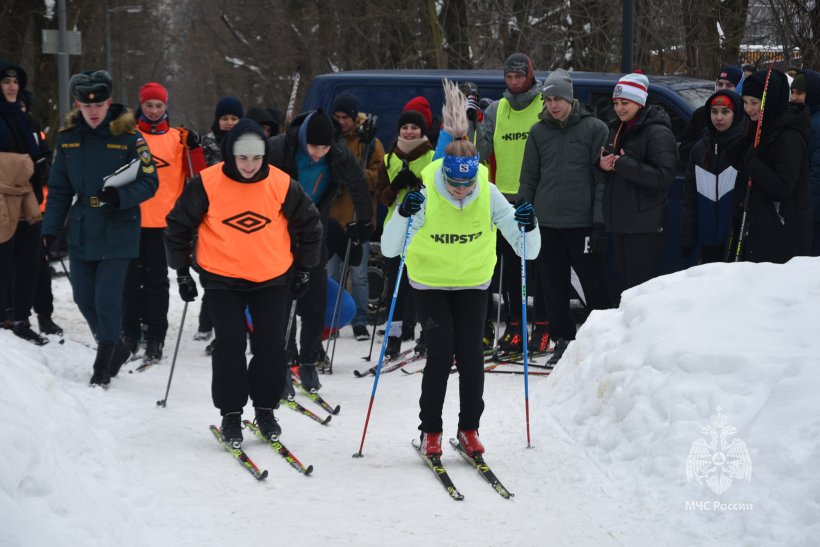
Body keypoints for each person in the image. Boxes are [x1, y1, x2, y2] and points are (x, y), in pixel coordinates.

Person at [381, 80, 540, 457]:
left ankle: (469, 429)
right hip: (430, 282)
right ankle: (430, 432)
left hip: (472, 281)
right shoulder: (425, 192)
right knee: (439, 356)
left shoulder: (487, 191)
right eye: (454, 184)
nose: (460, 192)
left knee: (471, 357)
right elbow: (390, 248)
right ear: (444, 174)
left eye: (467, 184)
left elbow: (526, 252)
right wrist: (403, 217)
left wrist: (529, 225)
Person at [165, 119, 322, 446]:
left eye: (256, 158)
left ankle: (265, 408)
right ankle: (231, 414)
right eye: (242, 158)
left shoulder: (281, 184)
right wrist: (181, 270)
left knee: (269, 346)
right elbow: (178, 226)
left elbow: (310, 225)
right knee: (230, 344)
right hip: (222, 280)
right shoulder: (207, 183)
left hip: (271, 278)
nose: (249, 166)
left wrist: (305, 268)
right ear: (229, 155)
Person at [42, 70, 159, 387]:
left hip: (119, 227)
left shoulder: (130, 137)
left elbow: (150, 182)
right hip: (82, 227)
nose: (93, 111)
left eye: (99, 104)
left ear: (109, 102)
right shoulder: (67, 139)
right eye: (85, 104)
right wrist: (49, 231)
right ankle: (117, 344)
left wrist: (121, 195)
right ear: (78, 104)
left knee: (107, 298)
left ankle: (103, 362)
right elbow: (60, 188)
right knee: (82, 297)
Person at [268, 109, 373, 391]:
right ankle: (286, 358)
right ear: (303, 141)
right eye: (314, 147)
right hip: (278, 232)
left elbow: (358, 186)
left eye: (323, 147)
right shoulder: (279, 149)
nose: (318, 153)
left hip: (315, 231)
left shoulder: (337, 153)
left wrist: (364, 222)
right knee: (283, 299)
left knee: (315, 302)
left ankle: (308, 361)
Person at [518, 69, 613, 367]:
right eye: (548, 99)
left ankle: (605, 338)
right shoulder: (538, 132)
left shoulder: (595, 128)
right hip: (546, 223)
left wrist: (599, 222)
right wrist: (524, 211)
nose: (554, 104)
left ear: (571, 98)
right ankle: (563, 340)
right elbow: (529, 176)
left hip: (582, 222)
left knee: (593, 284)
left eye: (559, 98)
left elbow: (601, 181)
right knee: (553, 286)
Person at [121, 82, 206, 364]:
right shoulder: (129, 136)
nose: (154, 111)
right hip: (131, 220)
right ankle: (130, 331)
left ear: (166, 106)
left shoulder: (177, 138)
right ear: (141, 106)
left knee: (157, 281)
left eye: (159, 105)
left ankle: (156, 334)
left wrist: (194, 147)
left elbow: (200, 174)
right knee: (131, 281)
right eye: (149, 105)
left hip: (164, 223)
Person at [478, 52, 544, 353]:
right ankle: (513, 325)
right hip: (502, 197)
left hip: (535, 196)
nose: (515, 82)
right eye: (510, 77)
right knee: (504, 266)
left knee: (535, 265)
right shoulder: (497, 109)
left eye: (520, 76)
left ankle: (540, 326)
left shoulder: (544, 103)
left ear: (530, 75)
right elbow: (479, 150)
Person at [599, 72, 677, 292]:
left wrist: (624, 164)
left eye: (625, 103)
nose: (619, 108)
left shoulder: (657, 132)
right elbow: (612, 171)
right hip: (622, 221)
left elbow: (663, 177)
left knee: (639, 290)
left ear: (639, 102)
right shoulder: (618, 128)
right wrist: (603, 167)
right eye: (615, 103)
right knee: (626, 289)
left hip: (645, 225)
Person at [734, 69, 812, 262]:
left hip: (784, 232)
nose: (749, 108)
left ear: (768, 101)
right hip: (762, 228)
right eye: (745, 102)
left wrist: (753, 165)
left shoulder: (788, 135)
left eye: (754, 103)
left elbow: (784, 185)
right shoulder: (759, 127)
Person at [375, 108, 434, 357]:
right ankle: (395, 336)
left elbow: (437, 191)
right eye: (405, 127)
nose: (409, 132)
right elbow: (383, 197)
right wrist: (396, 186)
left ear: (422, 131)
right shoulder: (389, 159)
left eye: (414, 128)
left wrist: (418, 185)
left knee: (424, 284)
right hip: (396, 229)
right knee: (396, 286)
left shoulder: (432, 156)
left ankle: (426, 334)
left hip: (424, 229)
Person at [0, 59, 49, 345]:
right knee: (4, 260)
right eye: (6, 82)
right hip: (3, 197)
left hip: (29, 197)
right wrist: (22, 164)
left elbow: (41, 150)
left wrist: (40, 162)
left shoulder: (26, 118)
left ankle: (22, 316)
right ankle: (5, 316)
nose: (12, 87)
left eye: (15, 82)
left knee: (29, 261)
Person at [330, 92, 384, 341]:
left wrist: (357, 177)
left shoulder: (369, 142)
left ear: (354, 118)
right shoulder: (330, 139)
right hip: (333, 218)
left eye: (345, 118)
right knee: (332, 274)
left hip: (357, 218)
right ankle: (332, 318)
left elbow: (380, 174)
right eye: (337, 117)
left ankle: (360, 320)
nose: (341, 122)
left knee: (359, 274)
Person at [195, 96, 244, 346]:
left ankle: (234, 324)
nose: (229, 123)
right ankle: (206, 322)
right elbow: (199, 172)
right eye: (225, 118)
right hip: (214, 212)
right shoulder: (207, 143)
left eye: (234, 118)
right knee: (214, 270)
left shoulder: (247, 144)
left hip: (242, 213)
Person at [680, 90, 747, 264]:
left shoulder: (744, 146)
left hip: (736, 240)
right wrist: (688, 238)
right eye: (714, 112)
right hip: (708, 239)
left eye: (725, 112)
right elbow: (690, 199)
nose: (719, 117)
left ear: (736, 114)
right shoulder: (699, 149)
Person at [679, 65, 744, 165]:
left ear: (739, 88)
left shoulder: (746, 117)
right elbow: (683, 150)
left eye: (729, 85)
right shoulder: (701, 114)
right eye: (720, 84)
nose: (722, 88)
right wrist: (706, 141)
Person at [789, 70, 820, 256]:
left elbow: (817, 176)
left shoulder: (814, 126)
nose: (793, 98)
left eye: (799, 93)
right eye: (792, 92)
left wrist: (806, 214)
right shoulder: (804, 118)